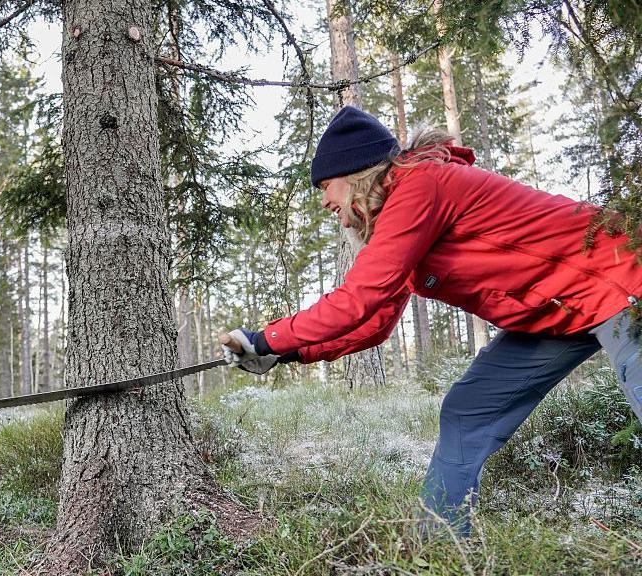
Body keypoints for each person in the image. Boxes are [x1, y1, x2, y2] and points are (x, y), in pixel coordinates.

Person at [221, 106, 642, 534]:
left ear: (357, 173)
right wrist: (286, 351)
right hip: (559, 311)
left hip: (622, 279)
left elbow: (360, 298)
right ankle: (441, 547)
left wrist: (268, 337)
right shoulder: (403, 218)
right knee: (469, 409)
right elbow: (374, 323)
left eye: (327, 185)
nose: (326, 201)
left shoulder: (422, 186)